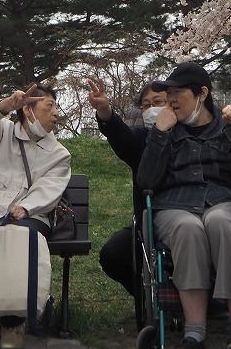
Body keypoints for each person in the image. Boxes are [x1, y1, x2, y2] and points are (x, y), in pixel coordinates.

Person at [138, 62, 231, 349]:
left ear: (202, 93)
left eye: (177, 93)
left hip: (226, 202)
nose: (170, 100)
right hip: (175, 206)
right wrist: (158, 135)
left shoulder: (229, 127)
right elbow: (146, 180)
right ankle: (194, 330)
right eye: (168, 93)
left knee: (219, 221)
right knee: (187, 228)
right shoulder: (164, 130)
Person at [0, 84, 71, 349]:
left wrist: (27, 207)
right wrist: (5, 105)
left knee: (21, 234)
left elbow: (50, 188)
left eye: (56, 107)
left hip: (31, 213)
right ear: (28, 110)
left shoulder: (59, 154)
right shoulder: (3, 133)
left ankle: (12, 324)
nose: (56, 113)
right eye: (49, 107)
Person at [87, 79, 168, 312]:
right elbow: (120, 135)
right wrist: (104, 110)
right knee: (113, 254)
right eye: (146, 105)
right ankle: (153, 297)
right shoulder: (142, 139)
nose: (151, 109)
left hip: (189, 220)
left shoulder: (190, 137)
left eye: (158, 102)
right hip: (149, 224)